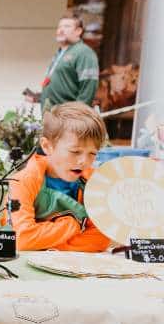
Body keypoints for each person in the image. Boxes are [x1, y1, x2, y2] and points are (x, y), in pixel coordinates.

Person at [8, 102, 111, 252]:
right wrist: (72, 224)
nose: (84, 161)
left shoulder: (93, 183)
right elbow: (22, 238)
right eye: (75, 151)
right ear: (47, 146)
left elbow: (100, 238)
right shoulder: (22, 182)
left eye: (92, 153)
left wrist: (51, 245)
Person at [39, 12, 100, 109]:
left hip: (68, 118)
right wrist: (39, 97)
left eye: (66, 26)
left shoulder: (84, 53)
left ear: (78, 31)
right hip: (52, 115)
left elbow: (88, 87)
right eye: (59, 27)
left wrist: (77, 115)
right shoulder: (60, 53)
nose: (60, 30)